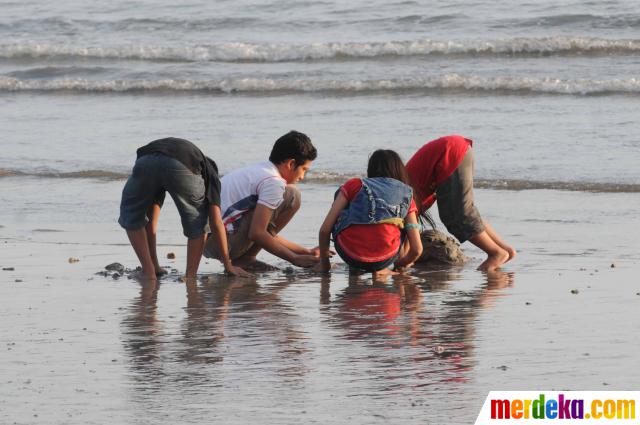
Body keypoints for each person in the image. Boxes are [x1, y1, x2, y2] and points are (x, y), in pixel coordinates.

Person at [118, 137, 251, 280]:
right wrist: (228, 264)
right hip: (182, 163)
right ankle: (190, 277)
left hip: (146, 159)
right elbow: (216, 222)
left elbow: (151, 221)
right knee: (198, 224)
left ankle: (149, 271)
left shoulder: (186, 162)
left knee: (132, 214)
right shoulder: (210, 173)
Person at [203, 130, 320, 269]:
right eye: (304, 169)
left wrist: (305, 252)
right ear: (291, 164)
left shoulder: (261, 170)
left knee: (275, 205)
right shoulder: (274, 182)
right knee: (292, 195)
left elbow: (266, 233)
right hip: (220, 242)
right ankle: (246, 258)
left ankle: (245, 258)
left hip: (207, 240)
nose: (302, 176)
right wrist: (294, 258)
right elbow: (257, 233)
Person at [406, 135, 516, 271]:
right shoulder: (400, 198)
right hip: (454, 149)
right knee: (466, 210)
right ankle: (505, 250)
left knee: (456, 214)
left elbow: (407, 234)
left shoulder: (398, 203)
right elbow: (409, 231)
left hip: (449, 153)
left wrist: (403, 262)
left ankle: (496, 253)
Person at [316, 149, 423, 277]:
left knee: (347, 204)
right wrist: (399, 264)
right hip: (386, 258)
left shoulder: (355, 185)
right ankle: (380, 272)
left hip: (350, 254)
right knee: (402, 224)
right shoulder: (407, 193)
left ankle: (354, 271)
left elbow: (324, 230)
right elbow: (417, 250)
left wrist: (325, 265)